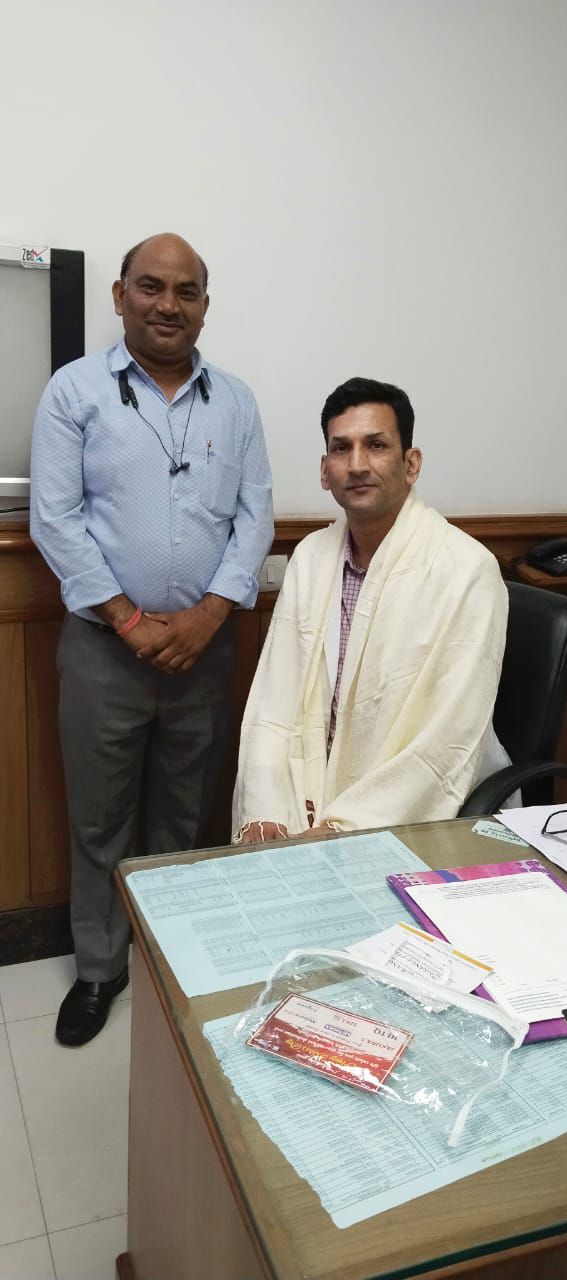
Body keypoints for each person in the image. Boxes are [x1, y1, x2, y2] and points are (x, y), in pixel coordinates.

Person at [31, 233, 273, 1045]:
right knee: (99, 820)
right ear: (120, 295)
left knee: (184, 814)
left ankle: (168, 958)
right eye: (151, 287)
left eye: (186, 291)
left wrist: (206, 617)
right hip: (103, 651)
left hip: (205, 652)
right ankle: (100, 970)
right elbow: (55, 520)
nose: (168, 305)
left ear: (205, 304)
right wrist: (129, 621)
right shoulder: (75, 391)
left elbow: (255, 519)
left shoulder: (235, 401)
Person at [233, 377, 509, 844]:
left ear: (411, 464)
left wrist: (343, 829)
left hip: (417, 812)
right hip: (308, 800)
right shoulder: (310, 557)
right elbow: (272, 703)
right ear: (325, 471)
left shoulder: (466, 570)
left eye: (376, 445)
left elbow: (446, 741)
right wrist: (265, 810)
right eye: (341, 448)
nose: (357, 464)